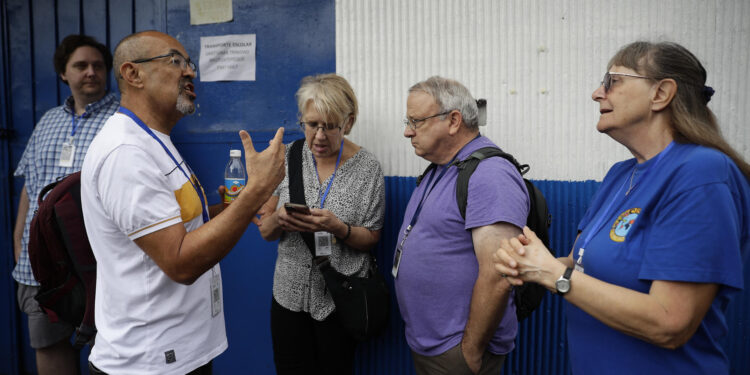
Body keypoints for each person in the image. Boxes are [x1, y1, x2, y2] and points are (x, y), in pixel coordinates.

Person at [494, 41, 750, 374]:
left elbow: (670, 322)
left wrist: (551, 272)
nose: (597, 93)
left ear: (661, 93)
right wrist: (528, 260)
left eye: (612, 80)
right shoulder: (620, 175)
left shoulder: (701, 173)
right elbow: (580, 262)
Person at [80, 30, 285, 375]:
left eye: (189, 63)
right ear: (134, 74)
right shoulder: (127, 153)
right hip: (149, 362)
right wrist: (253, 194)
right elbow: (180, 262)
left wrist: (241, 204)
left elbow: (182, 225)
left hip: (178, 352)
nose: (190, 71)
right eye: (176, 61)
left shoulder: (153, 140)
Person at [393, 76, 529, 375]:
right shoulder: (442, 168)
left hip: (458, 351)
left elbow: (498, 274)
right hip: (433, 343)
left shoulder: (490, 175)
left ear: (454, 120)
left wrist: (469, 351)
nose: (407, 131)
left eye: (416, 121)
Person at [257, 73, 385, 375]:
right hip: (288, 296)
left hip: (339, 299)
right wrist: (279, 219)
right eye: (312, 124)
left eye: (330, 126)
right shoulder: (287, 157)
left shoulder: (367, 168)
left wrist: (339, 228)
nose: (319, 136)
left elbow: (372, 237)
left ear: (348, 122)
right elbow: (265, 230)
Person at [12, 34, 118, 375]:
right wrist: (19, 242)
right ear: (63, 73)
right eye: (80, 66)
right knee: (50, 352)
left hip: (100, 267)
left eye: (98, 66)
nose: (90, 72)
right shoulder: (47, 121)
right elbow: (32, 186)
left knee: (109, 359)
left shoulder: (123, 120)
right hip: (41, 269)